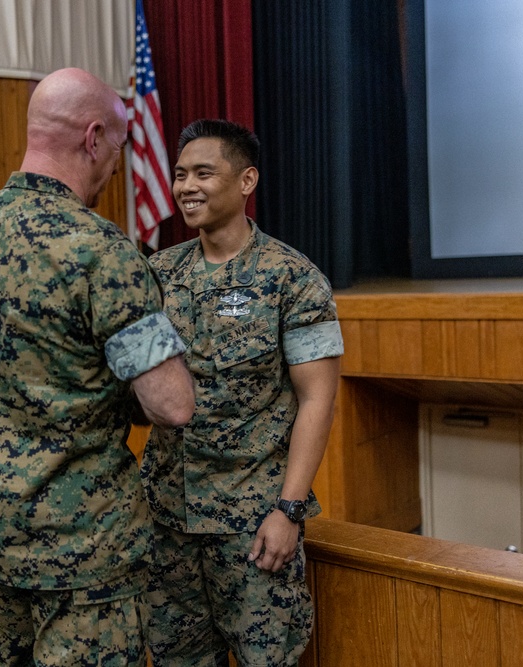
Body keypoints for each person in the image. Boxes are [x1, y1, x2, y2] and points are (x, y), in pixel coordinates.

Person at [0, 67, 195, 666]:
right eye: (118, 149)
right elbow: (172, 404)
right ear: (93, 137)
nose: (116, 165)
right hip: (84, 552)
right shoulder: (103, 253)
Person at [141, 119, 344, 667]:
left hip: (252, 524)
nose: (187, 186)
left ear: (246, 180)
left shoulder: (293, 279)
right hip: (168, 520)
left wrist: (289, 509)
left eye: (203, 173)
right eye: (180, 174)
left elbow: (317, 399)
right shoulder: (156, 274)